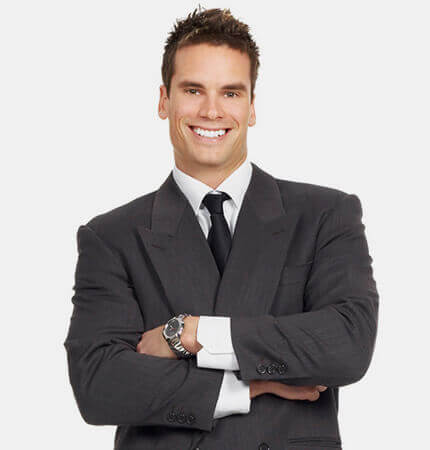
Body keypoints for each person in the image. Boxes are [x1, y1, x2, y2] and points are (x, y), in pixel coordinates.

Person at [64, 6, 379, 450]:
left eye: (231, 93)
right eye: (193, 90)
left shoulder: (325, 214)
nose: (211, 111)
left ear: (252, 107)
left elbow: (348, 344)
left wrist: (193, 334)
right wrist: (246, 387)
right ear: (163, 100)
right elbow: (99, 385)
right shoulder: (112, 237)